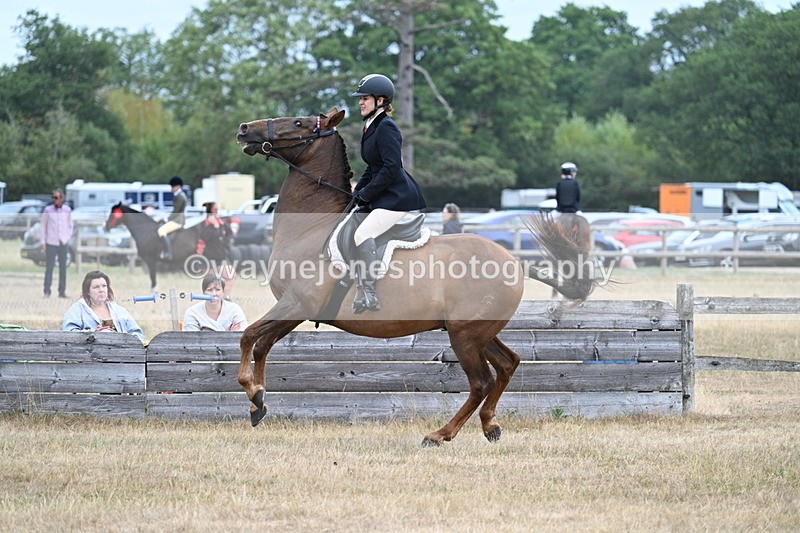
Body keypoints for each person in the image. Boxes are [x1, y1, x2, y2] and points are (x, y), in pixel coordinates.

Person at [350, 73, 427, 314]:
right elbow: (372, 168)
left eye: (365, 98)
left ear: (381, 100)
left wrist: (367, 193)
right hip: (383, 194)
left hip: (396, 197)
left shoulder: (386, 127)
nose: (360, 102)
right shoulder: (370, 127)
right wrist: (356, 193)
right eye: (360, 98)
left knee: (363, 233)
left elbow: (391, 167)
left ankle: (370, 294)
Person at [62, 270, 144, 342]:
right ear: (87, 291)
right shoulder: (77, 310)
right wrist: (95, 334)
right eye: (96, 287)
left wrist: (123, 340)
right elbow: (68, 334)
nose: (101, 290)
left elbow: (137, 333)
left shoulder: (119, 310)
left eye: (104, 286)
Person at [182, 273, 247, 331]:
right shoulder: (192, 313)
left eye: (218, 289)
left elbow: (243, 335)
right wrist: (229, 335)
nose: (214, 294)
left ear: (223, 292)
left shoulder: (234, 309)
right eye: (209, 290)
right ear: (203, 292)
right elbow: (192, 340)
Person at [198, 201, 235, 298]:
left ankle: (224, 298)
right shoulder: (204, 225)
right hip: (208, 257)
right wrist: (214, 227)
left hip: (221, 256)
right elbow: (205, 238)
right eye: (215, 210)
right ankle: (214, 299)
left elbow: (229, 233)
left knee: (230, 276)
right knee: (210, 283)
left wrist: (226, 244)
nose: (217, 212)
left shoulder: (221, 222)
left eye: (217, 210)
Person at [40, 188, 73, 298]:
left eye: (57, 198)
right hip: (51, 242)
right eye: (54, 198)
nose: (55, 200)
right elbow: (43, 226)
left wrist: (67, 237)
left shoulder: (67, 210)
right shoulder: (48, 210)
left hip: (63, 242)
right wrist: (43, 242)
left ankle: (62, 291)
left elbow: (70, 226)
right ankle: (47, 291)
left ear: (62, 198)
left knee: (63, 268)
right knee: (49, 268)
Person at [157, 175, 187, 260]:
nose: (171, 188)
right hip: (177, 219)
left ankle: (168, 253)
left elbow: (176, 211)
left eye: (173, 186)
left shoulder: (180, 197)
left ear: (178, 186)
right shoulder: (179, 195)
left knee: (161, 230)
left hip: (177, 220)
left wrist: (167, 219)